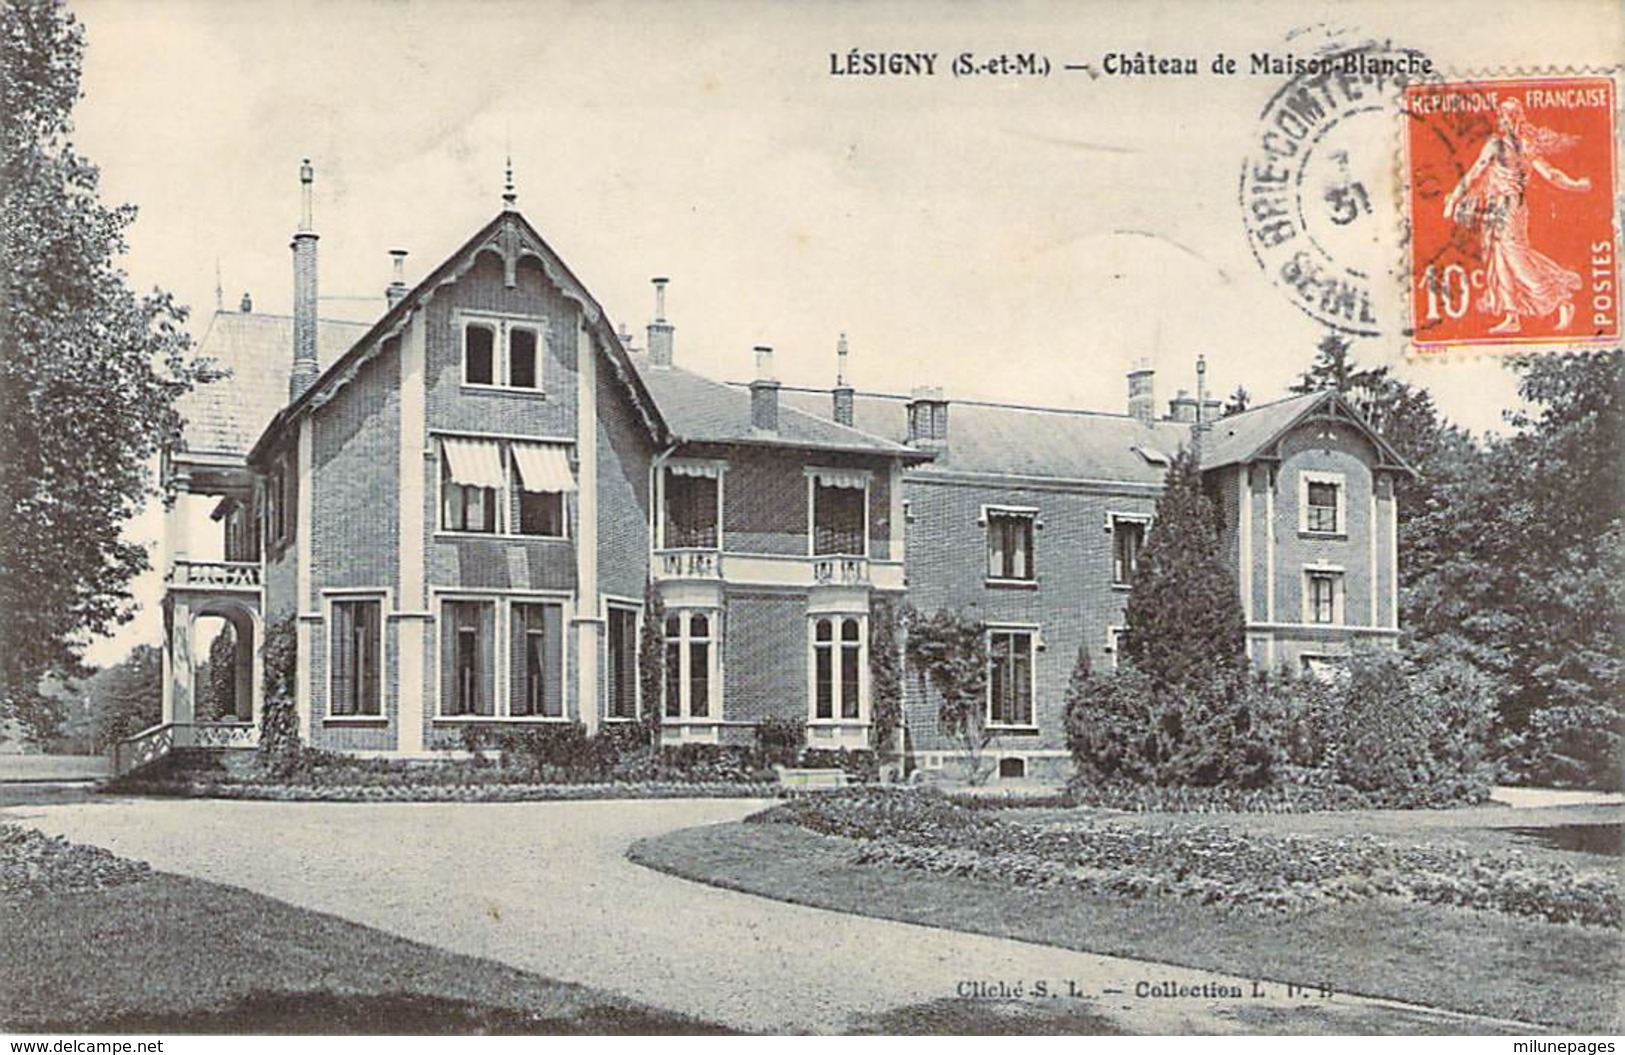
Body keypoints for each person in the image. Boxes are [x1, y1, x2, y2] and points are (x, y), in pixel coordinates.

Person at [1442, 98, 1592, 334]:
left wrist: (1453, 200)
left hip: (1508, 210)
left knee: (1517, 261)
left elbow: (1475, 173)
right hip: (1501, 209)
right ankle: (1512, 316)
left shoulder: (1501, 145)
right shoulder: (1521, 145)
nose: (1500, 120)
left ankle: (1561, 299)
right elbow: (1551, 175)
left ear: (1510, 119)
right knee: (1500, 261)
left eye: (1503, 116)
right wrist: (1576, 185)